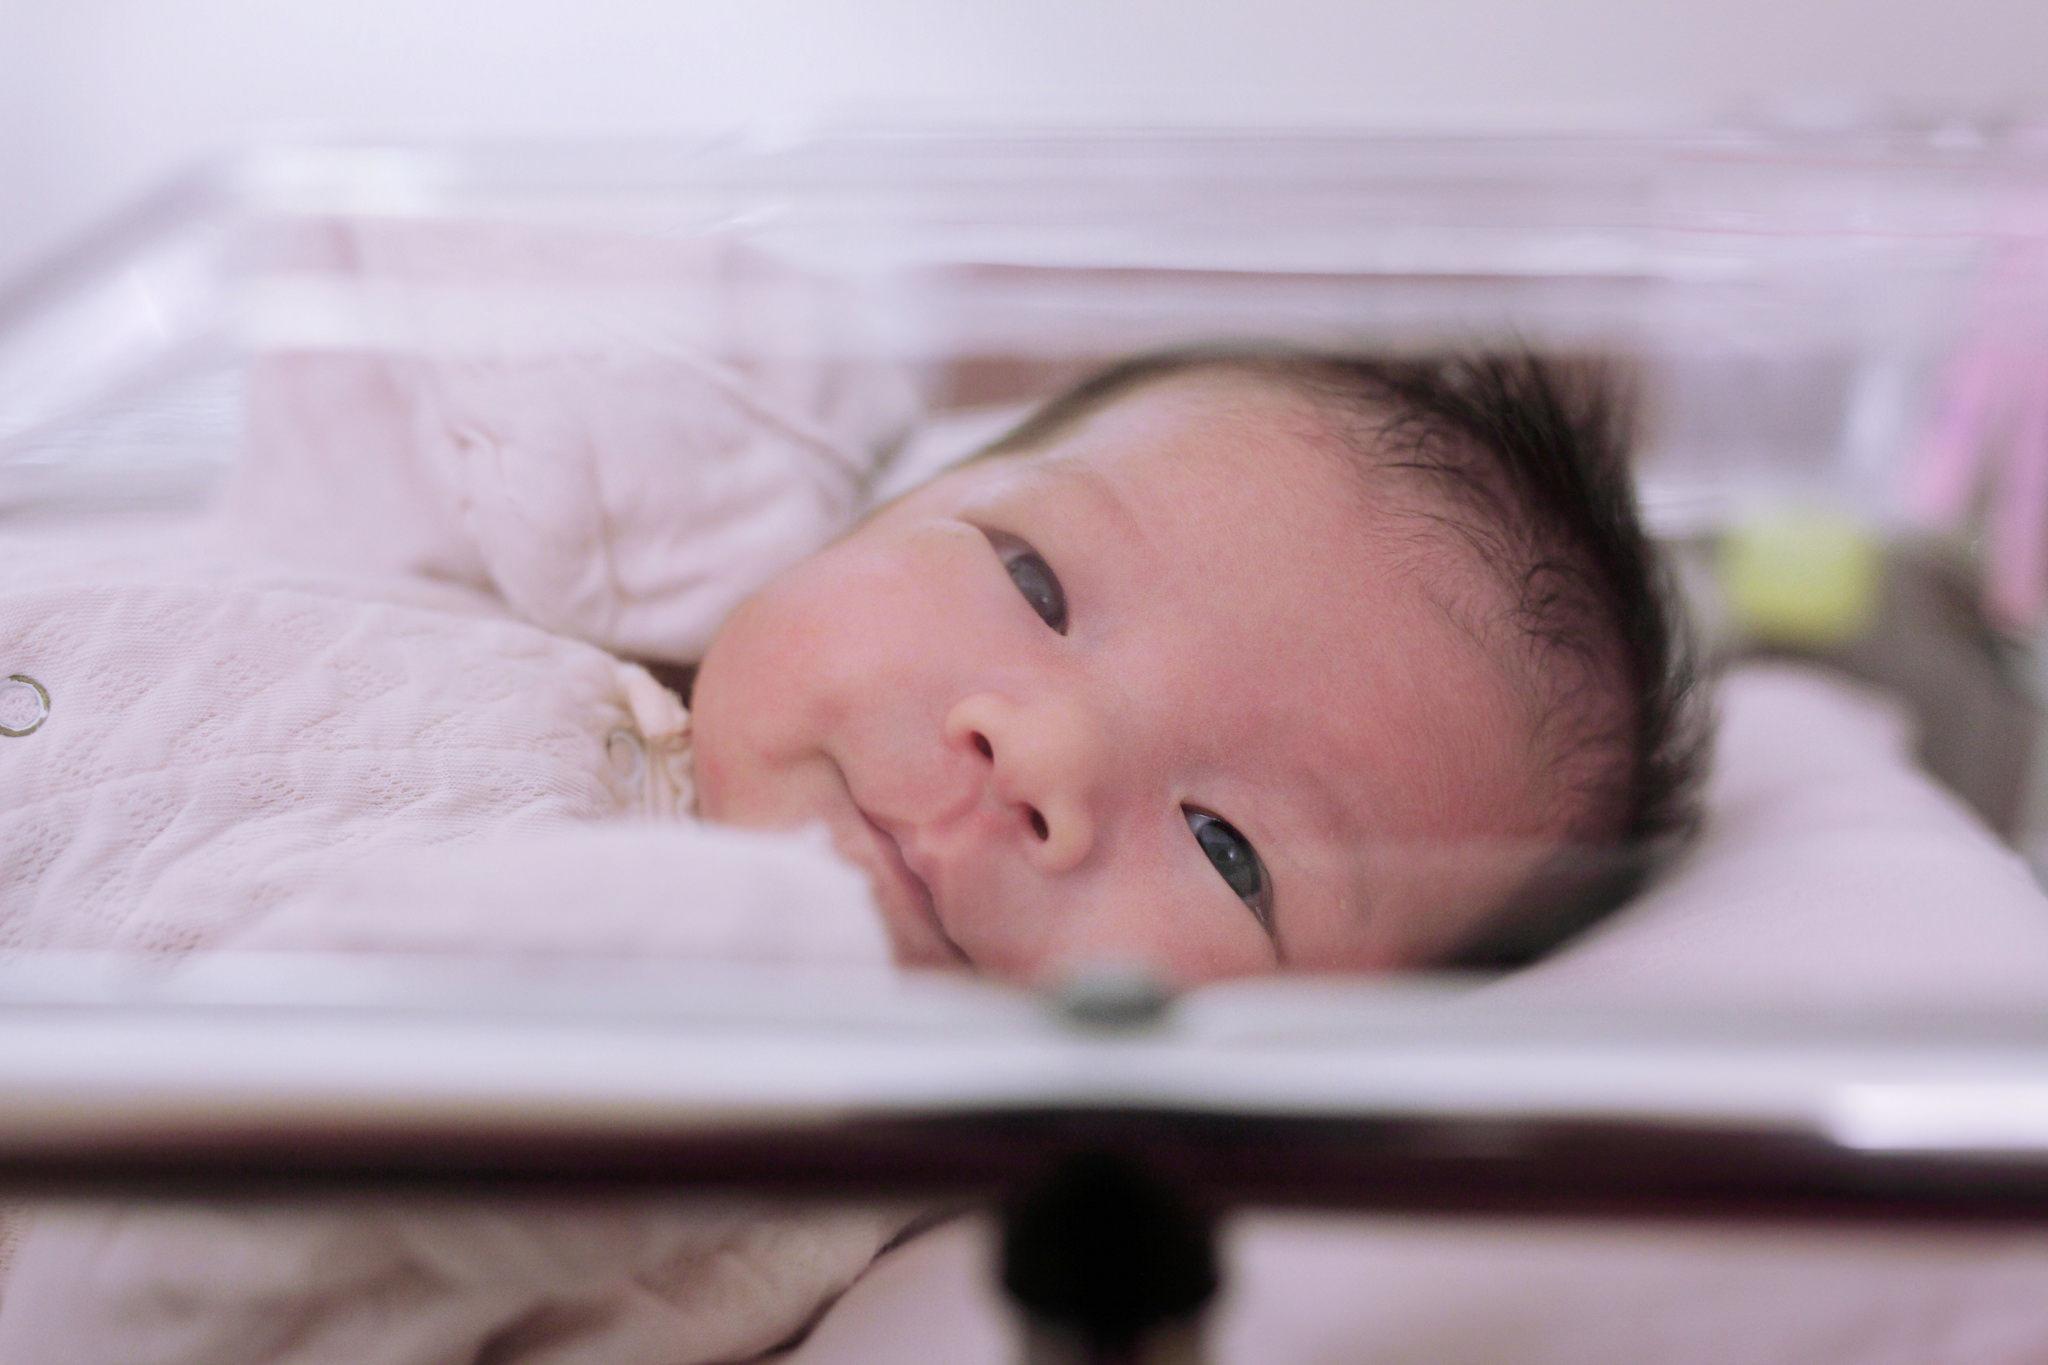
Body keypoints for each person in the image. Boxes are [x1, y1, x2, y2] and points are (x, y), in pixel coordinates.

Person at [0, 333, 1702, 1362]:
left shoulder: (756, 1197)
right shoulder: (557, 601)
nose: (1040, 745)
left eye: (1231, 851)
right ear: (882, 506)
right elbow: (370, 335)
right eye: (1032, 581)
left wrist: (641, 1004)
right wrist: (681, 469)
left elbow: (151, 1308)